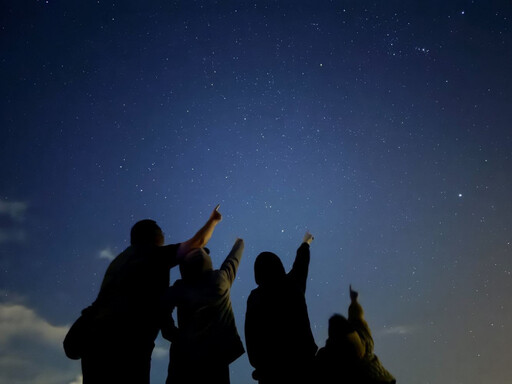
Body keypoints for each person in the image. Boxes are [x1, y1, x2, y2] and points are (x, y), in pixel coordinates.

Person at [75, 205, 222, 384]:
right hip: (128, 345)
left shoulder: (119, 261)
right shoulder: (153, 254)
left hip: (94, 342)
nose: (163, 234)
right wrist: (213, 221)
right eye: (160, 230)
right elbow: (198, 242)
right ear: (151, 235)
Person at [161, 238, 245, 384]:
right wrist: (239, 243)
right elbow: (233, 260)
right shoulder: (220, 280)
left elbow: (161, 310)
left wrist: (175, 335)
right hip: (216, 358)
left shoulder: (179, 288)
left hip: (184, 361)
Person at [245, 232, 317, 384]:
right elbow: (301, 263)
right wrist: (306, 243)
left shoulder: (254, 298)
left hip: (269, 374)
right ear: (279, 266)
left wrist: (258, 363)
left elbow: (250, 333)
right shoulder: (292, 284)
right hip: (303, 368)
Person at [347, 285, 396, 384]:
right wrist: (354, 301)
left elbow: (356, 319)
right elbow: (357, 319)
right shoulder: (366, 341)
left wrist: (354, 302)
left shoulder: (331, 356)